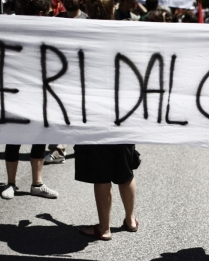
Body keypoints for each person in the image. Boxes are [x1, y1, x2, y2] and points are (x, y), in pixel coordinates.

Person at [77, 0, 138, 241]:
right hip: (123, 113)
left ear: (88, 9)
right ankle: (131, 220)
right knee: (125, 171)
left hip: (94, 113)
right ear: (113, 7)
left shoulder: (80, 32)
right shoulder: (127, 30)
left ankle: (104, 228)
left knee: (101, 175)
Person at [1, 0, 59, 200]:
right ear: (41, 13)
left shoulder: (45, 30)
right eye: (48, 13)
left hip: (39, 92)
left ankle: (37, 183)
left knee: (38, 137)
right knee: (14, 138)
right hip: (19, 91)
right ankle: (11, 184)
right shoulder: (16, 28)